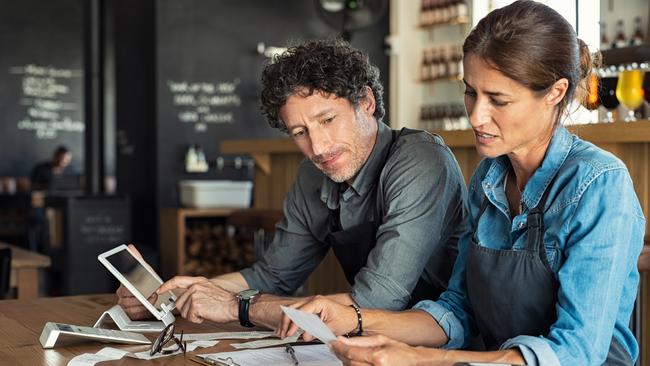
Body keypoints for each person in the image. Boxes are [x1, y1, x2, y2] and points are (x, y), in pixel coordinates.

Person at [278, 2, 645, 365]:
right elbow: (458, 310)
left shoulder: (599, 185)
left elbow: (577, 351)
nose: (476, 115)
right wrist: (355, 320)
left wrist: (421, 359)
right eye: (471, 92)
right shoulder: (489, 178)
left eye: (497, 99)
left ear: (555, 92)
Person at [118, 39, 468, 330]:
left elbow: (376, 301)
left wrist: (237, 307)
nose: (318, 148)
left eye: (327, 120)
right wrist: (181, 293)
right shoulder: (312, 175)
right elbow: (273, 274)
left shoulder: (420, 161)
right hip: (371, 343)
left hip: (445, 342)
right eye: (300, 133)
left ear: (366, 102)